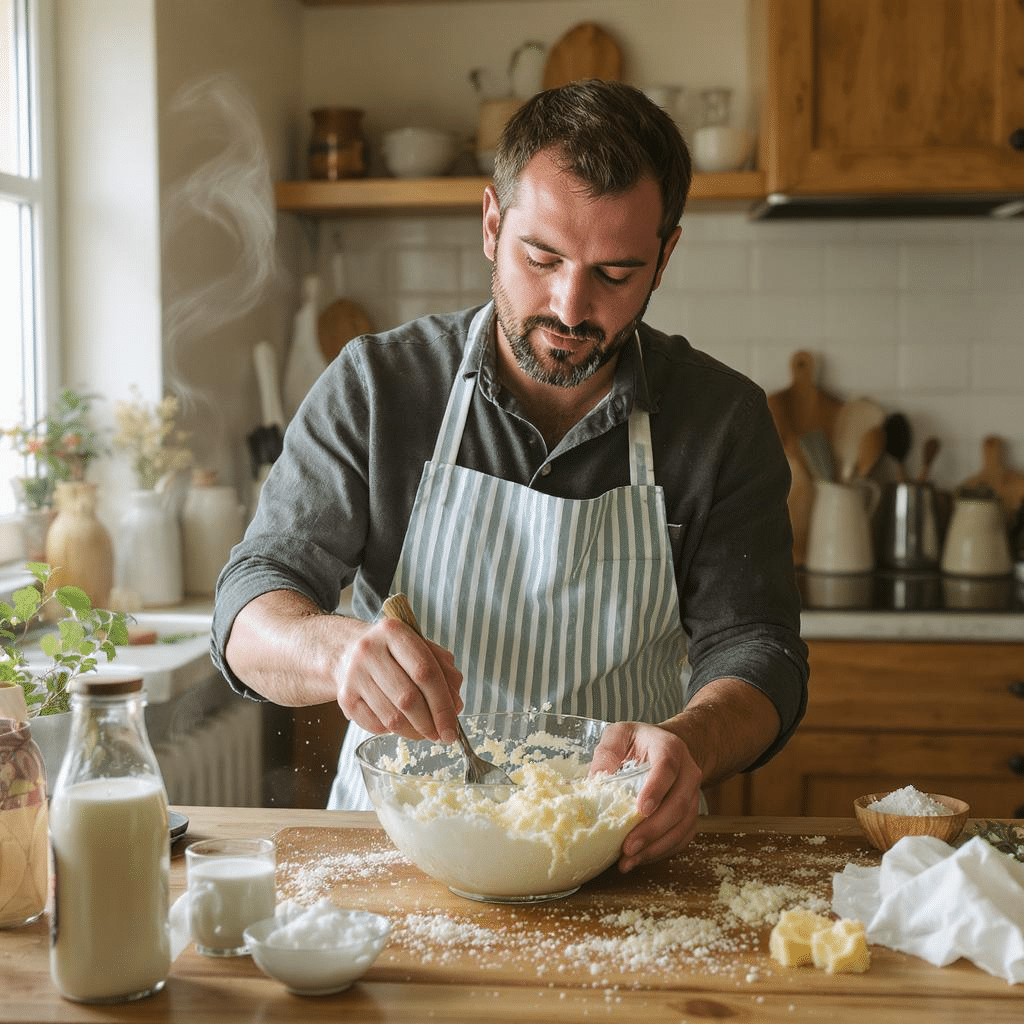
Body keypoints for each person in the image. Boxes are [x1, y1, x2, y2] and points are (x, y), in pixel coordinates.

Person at [212, 79, 808, 873]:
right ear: (492, 223)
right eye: (543, 257)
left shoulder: (721, 419)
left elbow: (759, 651)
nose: (570, 306)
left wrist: (691, 743)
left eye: (616, 272)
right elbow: (248, 603)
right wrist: (336, 653)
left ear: (665, 256)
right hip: (402, 853)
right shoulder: (380, 387)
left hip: (616, 845)